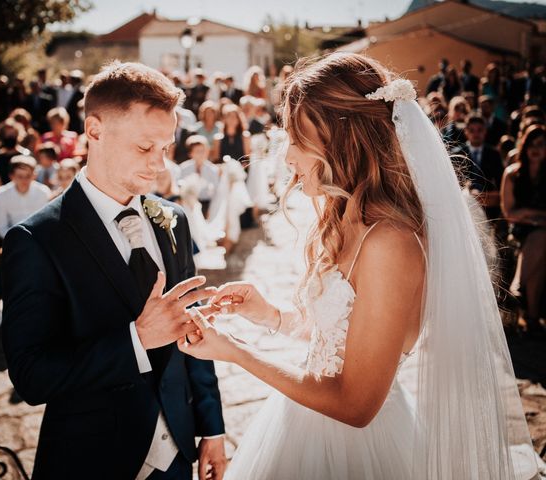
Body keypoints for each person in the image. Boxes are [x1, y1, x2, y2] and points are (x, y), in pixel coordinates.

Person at [178, 53, 537, 479]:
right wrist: (268, 315)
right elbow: (341, 334)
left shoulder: (391, 242)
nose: (286, 156)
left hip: (356, 446)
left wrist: (235, 352)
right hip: (301, 421)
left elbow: (355, 405)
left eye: (295, 138)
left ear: (340, 136)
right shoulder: (345, 216)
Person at [1, 60, 226, 480]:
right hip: (92, 460)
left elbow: (190, 327)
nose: (159, 165)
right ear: (94, 131)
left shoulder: (173, 220)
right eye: (145, 148)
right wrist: (136, 341)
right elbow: (31, 376)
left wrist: (212, 427)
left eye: (165, 148)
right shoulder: (36, 241)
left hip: (178, 452)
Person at [501, 124, 546, 336]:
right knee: (541, 239)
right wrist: (534, 215)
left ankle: (517, 289)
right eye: (532, 144)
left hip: (539, 231)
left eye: (542, 145)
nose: (536, 149)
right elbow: (509, 212)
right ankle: (533, 318)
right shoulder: (512, 174)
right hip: (520, 231)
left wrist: (528, 214)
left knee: (541, 238)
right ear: (524, 146)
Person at [0, 155, 50, 240]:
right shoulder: (2, 193)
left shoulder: (43, 192)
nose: (24, 180)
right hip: (13, 241)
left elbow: (47, 222)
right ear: (11, 176)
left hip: (39, 240)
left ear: (34, 175)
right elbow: (2, 227)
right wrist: (17, 239)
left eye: (28, 176)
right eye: (20, 176)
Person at [179, 135, 220, 216]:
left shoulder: (213, 169)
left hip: (207, 204)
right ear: (191, 153)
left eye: (203, 151)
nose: (201, 154)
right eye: (198, 151)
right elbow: (179, 187)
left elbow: (216, 192)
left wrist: (211, 210)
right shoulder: (183, 168)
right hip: (187, 204)